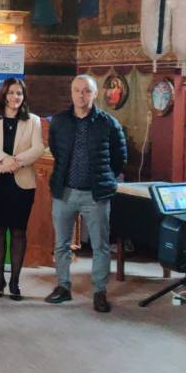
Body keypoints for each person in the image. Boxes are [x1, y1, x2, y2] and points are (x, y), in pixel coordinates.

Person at [45, 75, 126, 313]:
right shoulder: (59, 121)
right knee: (61, 244)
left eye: (87, 91)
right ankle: (63, 286)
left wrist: (104, 178)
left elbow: (119, 158)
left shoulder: (108, 123)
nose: (82, 95)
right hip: (65, 192)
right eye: (77, 90)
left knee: (101, 246)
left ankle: (100, 292)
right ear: (71, 93)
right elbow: (56, 151)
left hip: (95, 194)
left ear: (95, 94)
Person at [0, 78, 44, 301]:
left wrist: (16, 162)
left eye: (19, 93)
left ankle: (14, 281)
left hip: (21, 183)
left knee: (18, 231)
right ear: (3, 95)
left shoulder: (33, 120)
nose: (15, 97)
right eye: (11, 93)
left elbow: (38, 148)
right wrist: (3, 159)